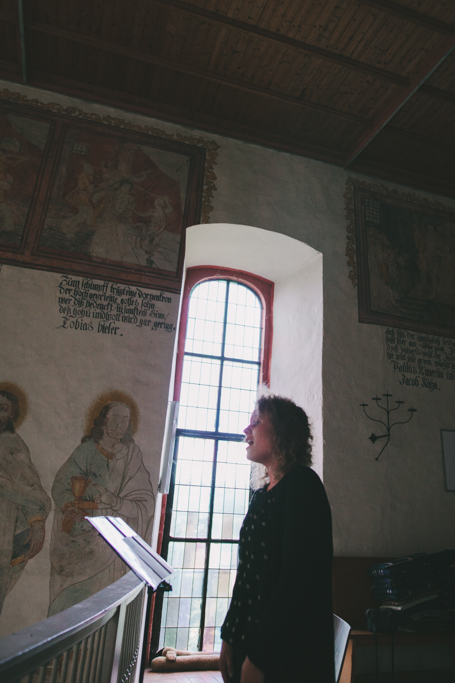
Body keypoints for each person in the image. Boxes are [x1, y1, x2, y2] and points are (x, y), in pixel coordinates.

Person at [219, 395, 334, 683]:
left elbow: (298, 579)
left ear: (282, 430)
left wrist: (260, 657)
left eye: (255, 422)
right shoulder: (260, 495)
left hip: (285, 652)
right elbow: (247, 574)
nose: (247, 431)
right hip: (249, 639)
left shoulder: (303, 486)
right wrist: (229, 636)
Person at [48, 401, 155, 615]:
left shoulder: (132, 456)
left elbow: (146, 504)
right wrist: (70, 507)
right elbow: (61, 485)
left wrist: (115, 502)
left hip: (113, 547)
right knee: (73, 604)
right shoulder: (86, 451)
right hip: (82, 541)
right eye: (115, 419)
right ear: (103, 422)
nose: (119, 425)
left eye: (125, 420)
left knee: (105, 609)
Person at [0, 389, 51, 615]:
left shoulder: (12, 445)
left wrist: (37, 522)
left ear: (11, 415)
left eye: (2, 409)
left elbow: (29, 487)